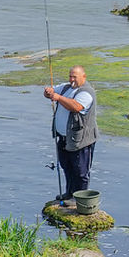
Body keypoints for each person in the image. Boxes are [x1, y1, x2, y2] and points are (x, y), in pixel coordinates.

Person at [45, 66, 97, 205]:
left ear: (84, 77)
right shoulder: (66, 87)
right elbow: (52, 92)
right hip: (63, 137)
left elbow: (76, 106)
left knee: (80, 170)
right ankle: (69, 193)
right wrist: (49, 92)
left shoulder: (87, 92)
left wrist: (57, 97)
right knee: (66, 166)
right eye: (70, 76)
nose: (72, 79)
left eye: (75, 77)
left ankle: (79, 198)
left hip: (80, 139)